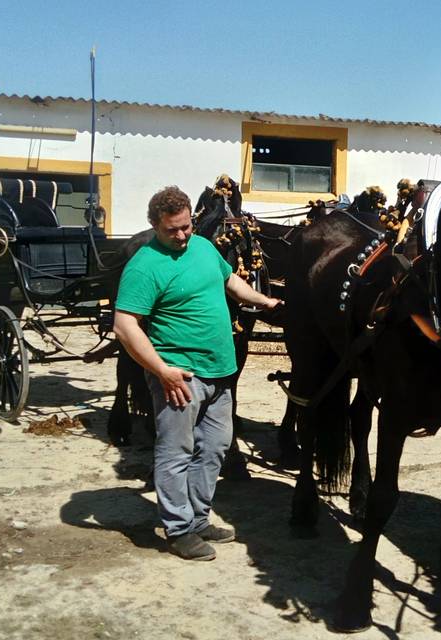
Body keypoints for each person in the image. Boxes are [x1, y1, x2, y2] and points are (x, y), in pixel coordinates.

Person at [114, 185, 280, 561]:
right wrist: (162, 371)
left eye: (187, 226)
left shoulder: (204, 247)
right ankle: (178, 529)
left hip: (221, 374)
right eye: (172, 229)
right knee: (176, 452)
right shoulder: (145, 265)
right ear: (154, 225)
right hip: (179, 378)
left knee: (216, 448)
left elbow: (230, 282)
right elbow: (125, 326)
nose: (182, 235)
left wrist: (265, 300)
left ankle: (199, 518)